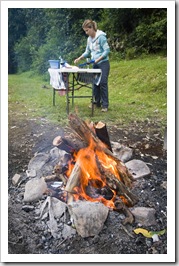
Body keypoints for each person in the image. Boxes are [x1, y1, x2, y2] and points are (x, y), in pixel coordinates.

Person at [74, 19, 110, 112]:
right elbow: (87, 51)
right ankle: (96, 103)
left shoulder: (101, 37)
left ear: (92, 28)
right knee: (95, 83)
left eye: (87, 30)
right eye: (85, 31)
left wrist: (98, 59)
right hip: (95, 64)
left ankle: (105, 105)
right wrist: (79, 58)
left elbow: (107, 51)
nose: (86, 33)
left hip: (103, 63)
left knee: (102, 83)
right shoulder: (89, 39)